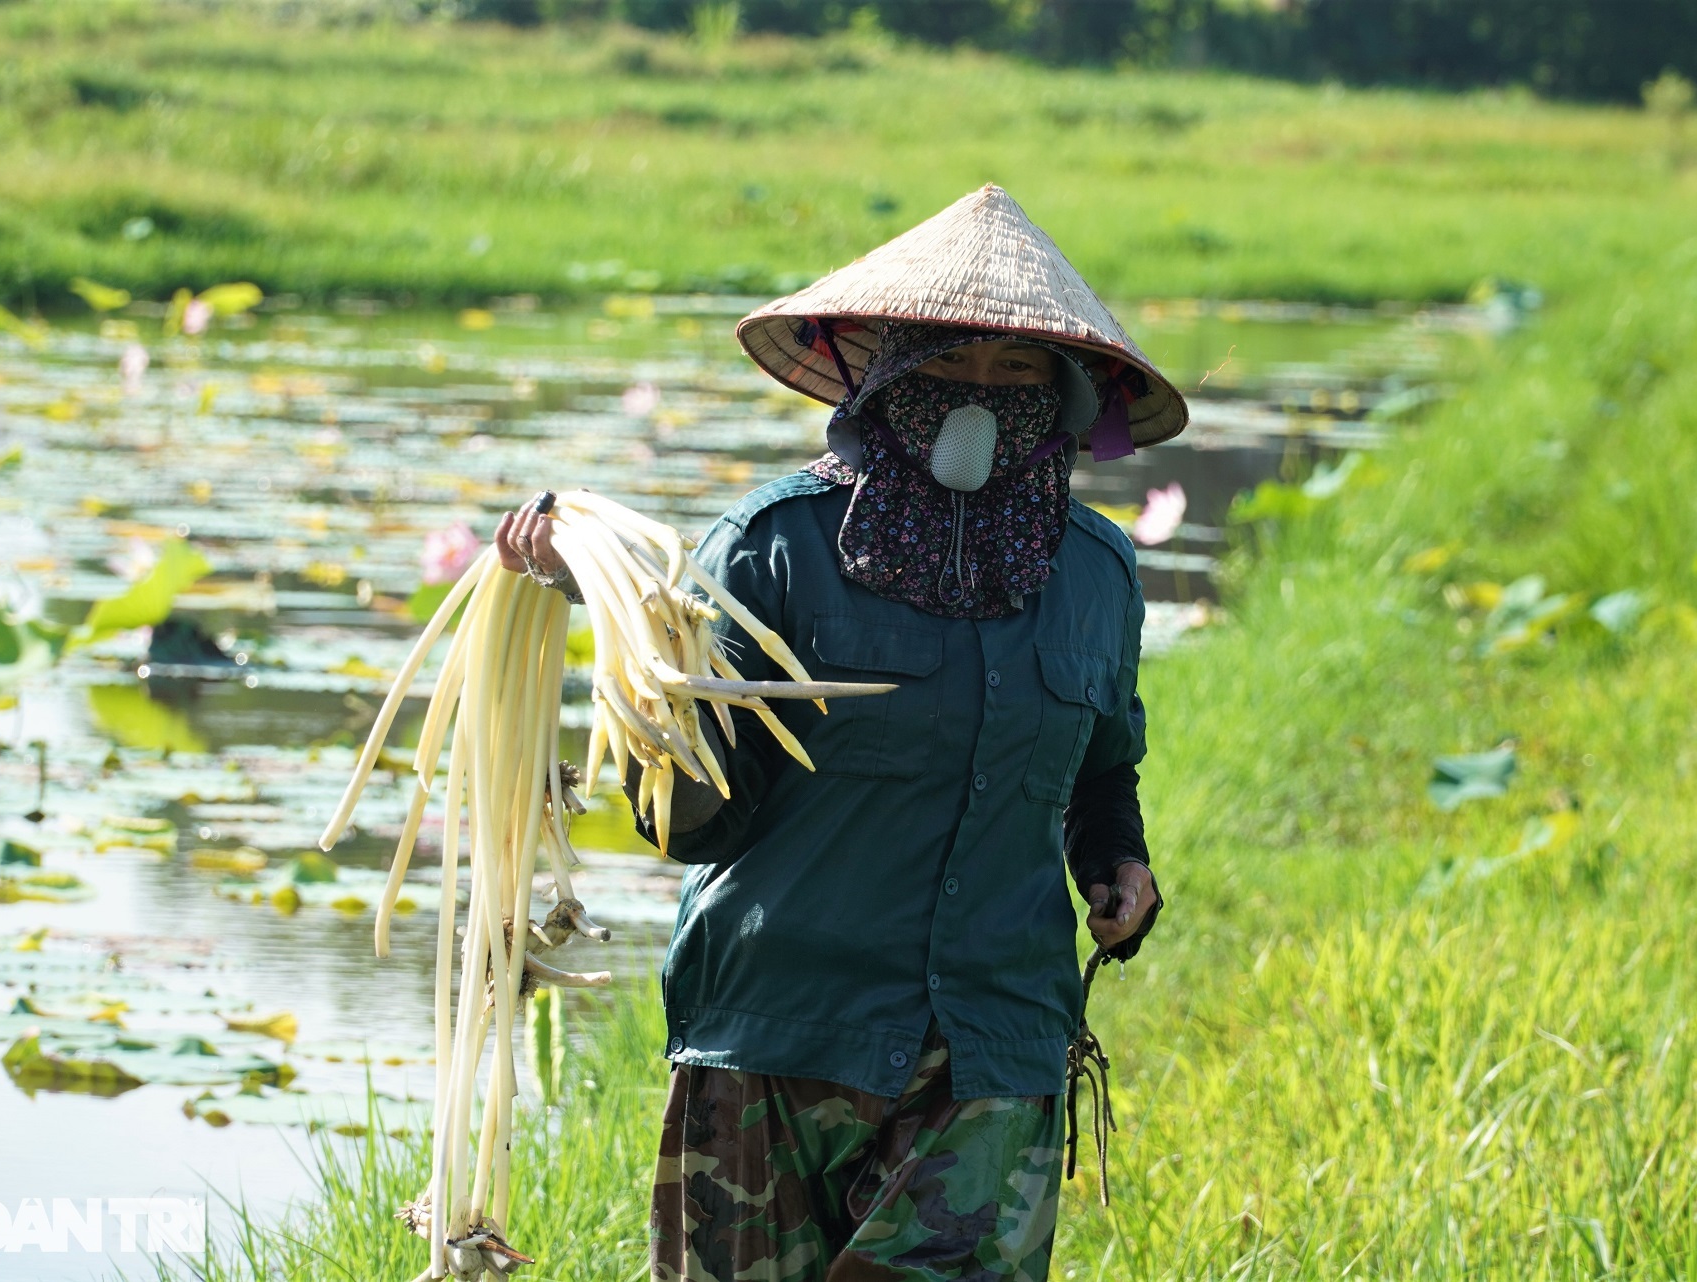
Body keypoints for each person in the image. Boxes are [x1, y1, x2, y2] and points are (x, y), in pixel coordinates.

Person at [494, 186, 1188, 1282]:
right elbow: (693, 825)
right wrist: (624, 638)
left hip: (995, 1045)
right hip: (780, 1034)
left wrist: (1118, 862)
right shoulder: (772, 550)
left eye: (1015, 373)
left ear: (1060, 397)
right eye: (950, 364)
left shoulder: (1098, 574)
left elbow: (1103, 765)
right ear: (890, 372)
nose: (980, 395)